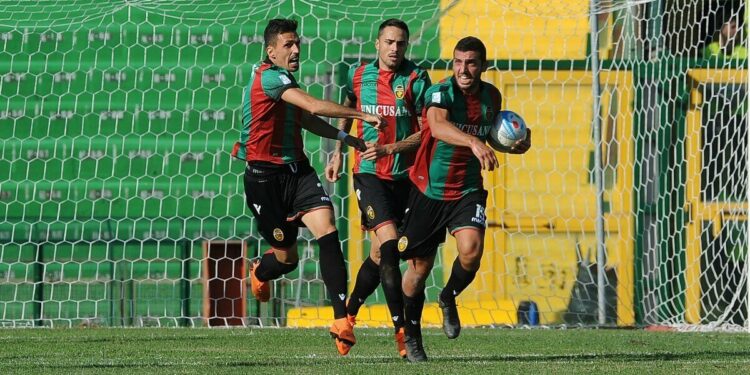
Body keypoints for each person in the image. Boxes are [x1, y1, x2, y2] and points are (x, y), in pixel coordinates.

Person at [231, 18, 384, 356]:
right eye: (288, 44)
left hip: (298, 172)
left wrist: (346, 138)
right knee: (287, 260)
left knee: (328, 231)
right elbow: (314, 106)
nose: (297, 49)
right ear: (271, 51)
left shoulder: (285, 80)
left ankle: (342, 322)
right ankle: (261, 268)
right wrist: (361, 116)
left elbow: (306, 119)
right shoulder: (271, 78)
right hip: (264, 180)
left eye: (297, 43)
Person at [396, 36, 531, 362]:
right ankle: (412, 336)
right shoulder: (442, 92)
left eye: (471, 63)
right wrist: (473, 142)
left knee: (471, 252)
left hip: (467, 190)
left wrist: (512, 144)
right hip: (429, 190)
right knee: (419, 269)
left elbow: (488, 137)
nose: (463, 69)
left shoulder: (491, 96)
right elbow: (438, 126)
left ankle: (448, 296)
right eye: (458, 62)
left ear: (482, 66)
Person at [324, 18, 431, 359]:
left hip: (405, 177)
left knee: (379, 255)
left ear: (406, 45)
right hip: (368, 173)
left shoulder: (416, 79)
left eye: (400, 43)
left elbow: (425, 133)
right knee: (388, 247)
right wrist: (339, 151)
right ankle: (403, 332)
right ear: (377, 44)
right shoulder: (359, 75)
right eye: (389, 42)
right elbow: (348, 108)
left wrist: (390, 149)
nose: (394, 48)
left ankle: (348, 317)